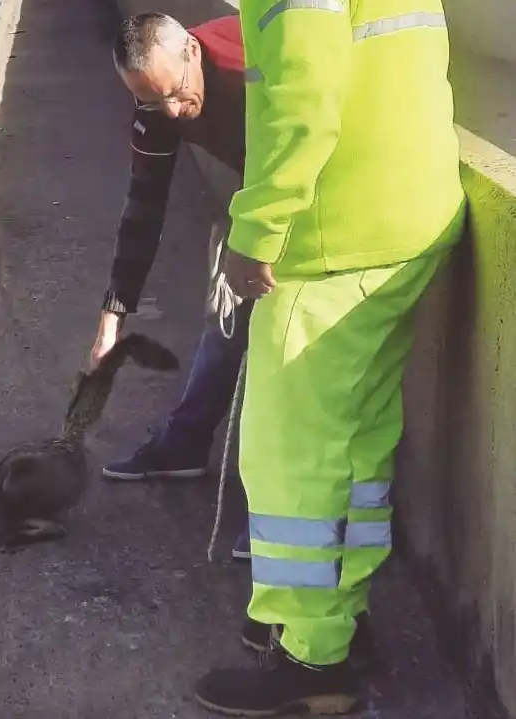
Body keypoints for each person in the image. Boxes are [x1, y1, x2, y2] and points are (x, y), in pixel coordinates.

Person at [187, 0, 466, 716]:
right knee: (355, 445)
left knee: (290, 456)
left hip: (334, 238)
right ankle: (341, 619)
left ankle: (311, 657)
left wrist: (258, 227)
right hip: (405, 217)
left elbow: (302, 96)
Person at [91, 13, 254, 561]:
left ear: (193, 51)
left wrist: (261, 236)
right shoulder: (157, 100)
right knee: (225, 315)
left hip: (320, 188)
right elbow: (144, 204)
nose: (174, 113)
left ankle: (286, 510)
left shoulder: (244, 63)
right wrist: (114, 313)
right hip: (257, 195)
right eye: (155, 103)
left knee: (283, 345)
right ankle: (183, 443)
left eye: (178, 96)